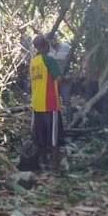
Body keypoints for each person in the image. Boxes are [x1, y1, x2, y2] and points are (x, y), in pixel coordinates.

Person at [29, 34, 65, 170]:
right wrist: (68, 80)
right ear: (45, 46)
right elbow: (59, 79)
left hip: (37, 103)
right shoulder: (49, 61)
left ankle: (43, 161)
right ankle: (55, 162)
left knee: (41, 134)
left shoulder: (33, 62)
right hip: (50, 102)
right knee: (54, 135)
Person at [46, 31, 73, 111]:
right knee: (53, 100)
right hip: (52, 78)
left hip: (65, 77)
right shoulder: (47, 50)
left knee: (66, 99)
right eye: (50, 39)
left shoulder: (66, 47)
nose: (52, 41)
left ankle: (68, 116)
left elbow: (72, 60)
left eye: (53, 38)